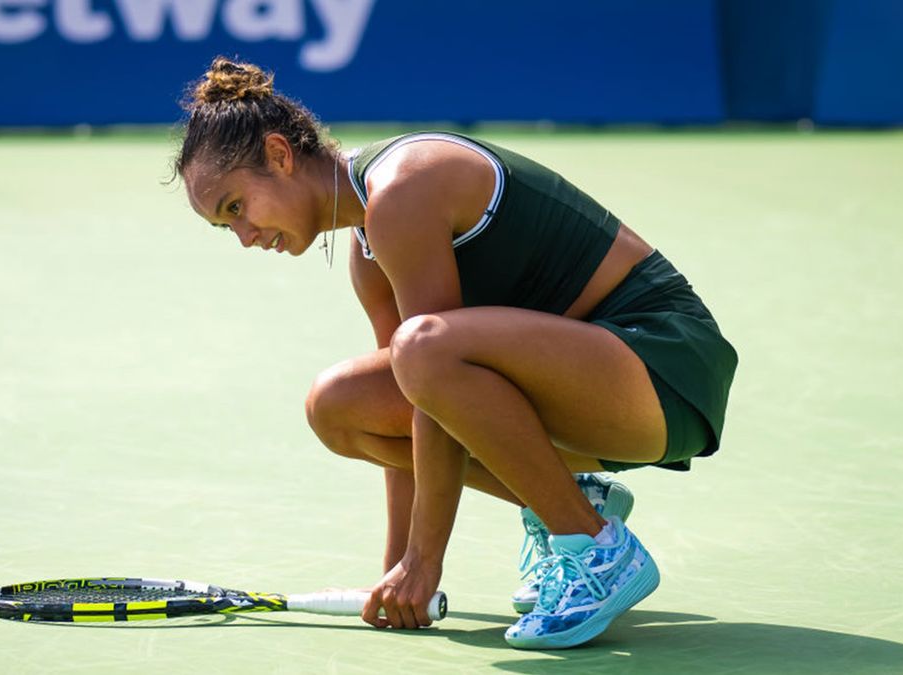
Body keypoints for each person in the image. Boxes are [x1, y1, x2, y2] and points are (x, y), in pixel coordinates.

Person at [173, 57, 738, 649]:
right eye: (224, 226)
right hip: (594, 397)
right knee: (338, 406)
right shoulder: (368, 255)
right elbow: (422, 409)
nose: (244, 237)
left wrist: (425, 563)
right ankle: (574, 499)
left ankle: (595, 549)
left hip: (663, 367)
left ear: (280, 156)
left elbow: (429, 371)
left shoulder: (402, 190)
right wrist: (394, 571)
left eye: (236, 207)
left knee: (421, 349)